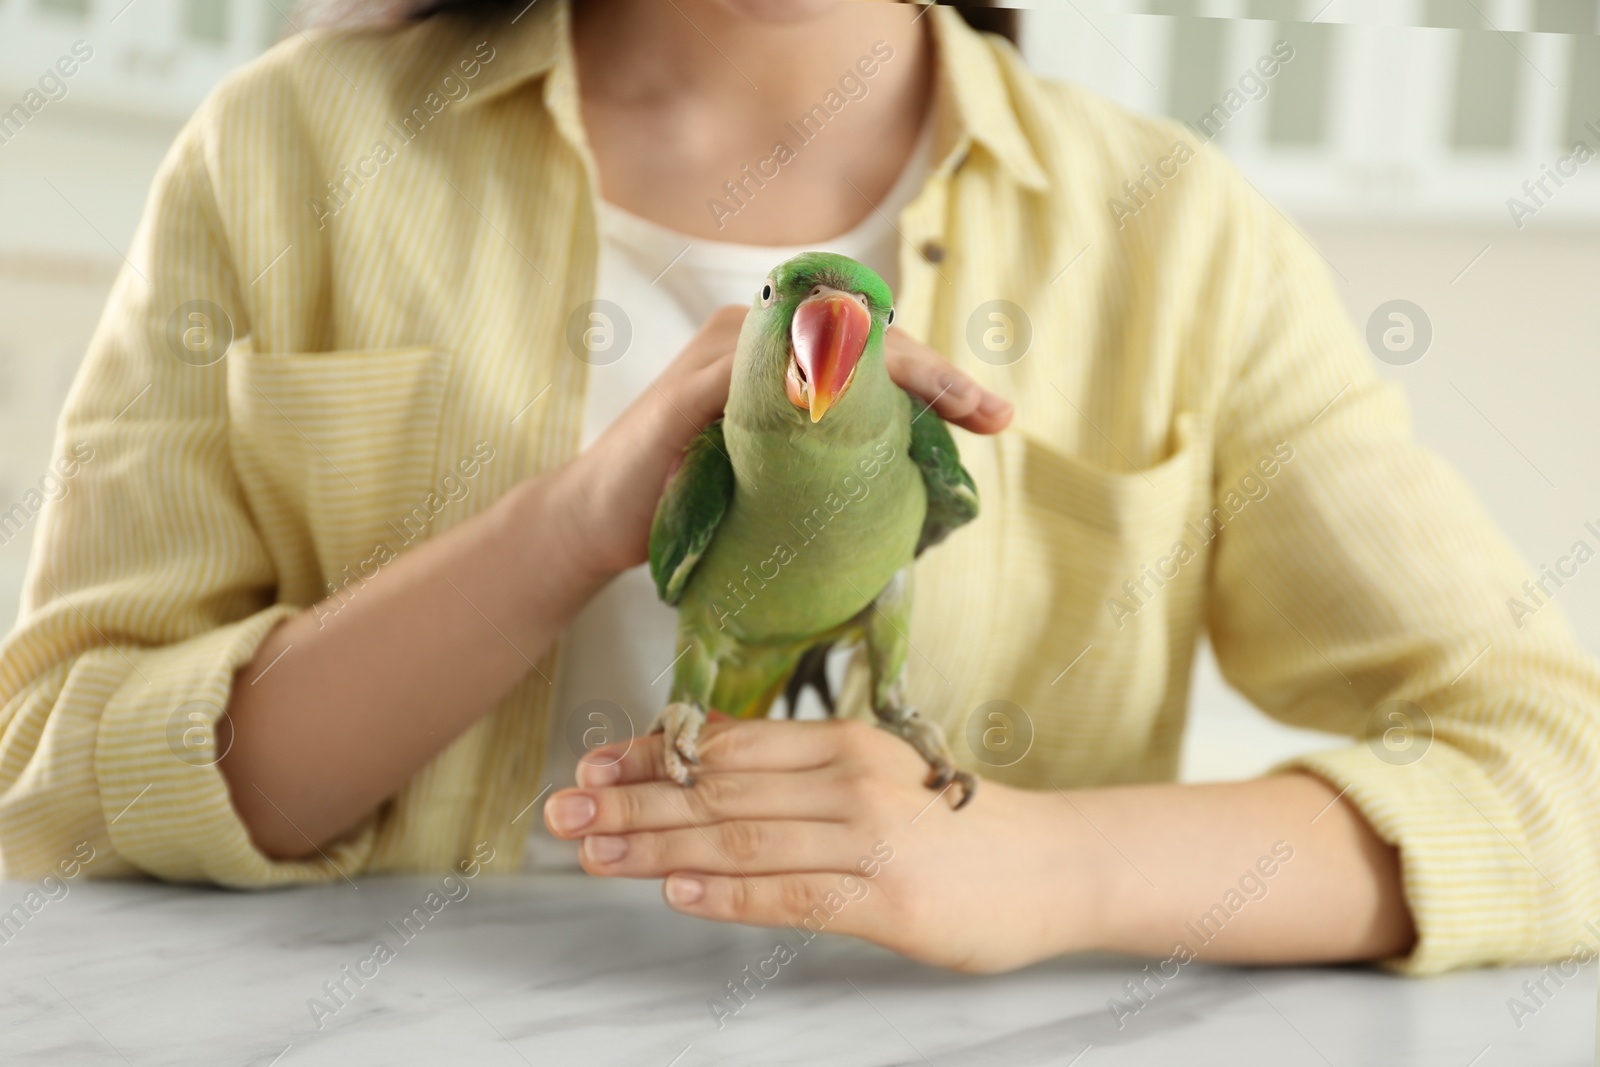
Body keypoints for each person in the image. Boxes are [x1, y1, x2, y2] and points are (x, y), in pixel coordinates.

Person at [0, 0, 1595, 978]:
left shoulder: (1183, 241)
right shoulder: (283, 153)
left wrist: (1054, 864)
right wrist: (562, 531)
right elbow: (53, 785)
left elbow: (1565, 777)